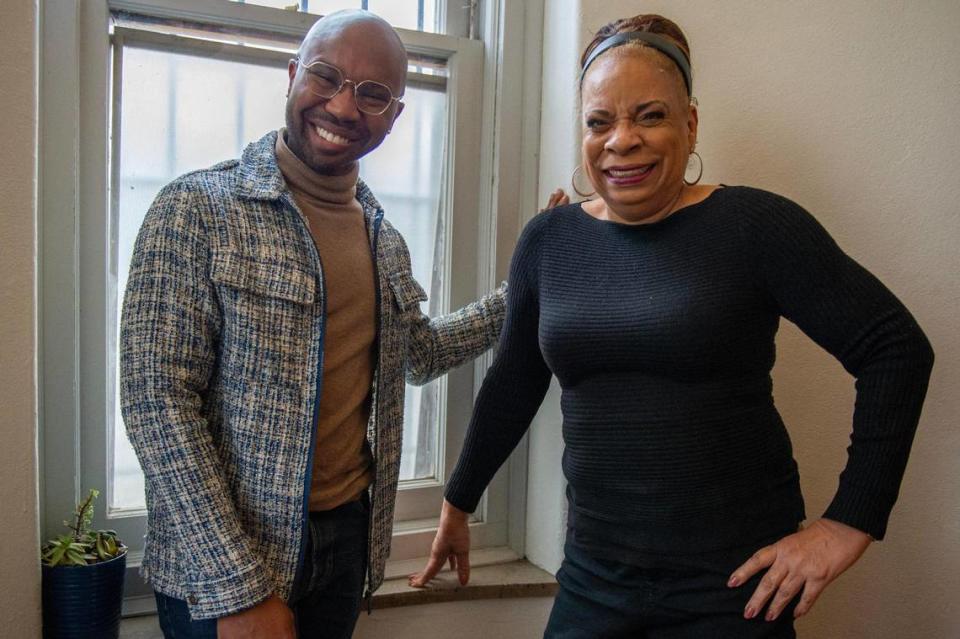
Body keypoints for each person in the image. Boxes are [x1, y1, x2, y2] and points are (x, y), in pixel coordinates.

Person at [410, 13, 934, 638]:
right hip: (593, 578)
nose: (620, 140)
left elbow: (895, 347)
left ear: (690, 123)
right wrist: (457, 503)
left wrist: (849, 522)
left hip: (735, 588)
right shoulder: (549, 241)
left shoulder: (754, 226)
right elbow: (516, 380)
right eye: (599, 122)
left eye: (650, 116)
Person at [120, 10, 507, 639]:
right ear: (294, 74)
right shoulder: (196, 210)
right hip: (222, 564)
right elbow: (155, 401)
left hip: (343, 547)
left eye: (373, 94)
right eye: (326, 77)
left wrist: (528, 287)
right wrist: (241, 586)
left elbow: (420, 355)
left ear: (394, 114)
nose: (343, 106)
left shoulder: (384, 241)